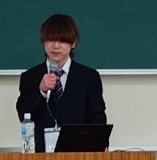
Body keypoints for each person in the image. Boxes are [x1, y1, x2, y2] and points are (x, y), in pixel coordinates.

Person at [15, 14, 106, 152]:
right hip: (41, 155)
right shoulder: (30, 77)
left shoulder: (89, 77)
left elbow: (97, 117)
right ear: (43, 42)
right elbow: (24, 116)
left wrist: (99, 143)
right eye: (51, 40)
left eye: (62, 41)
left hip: (78, 154)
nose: (56, 46)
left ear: (73, 43)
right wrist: (41, 91)